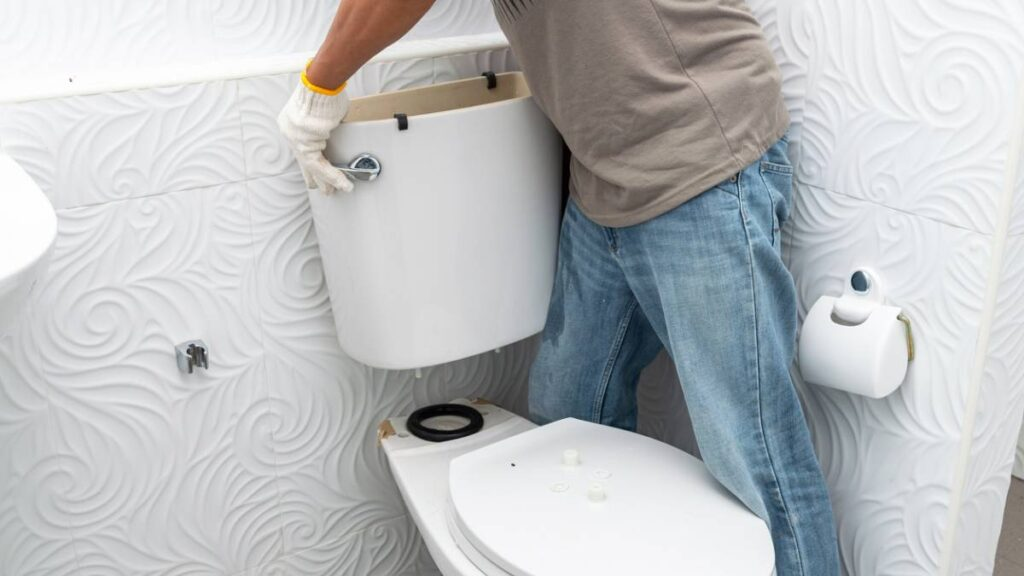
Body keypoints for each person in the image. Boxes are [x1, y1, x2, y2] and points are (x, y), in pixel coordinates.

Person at [278, 1, 840, 573]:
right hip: (605, 179)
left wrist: (318, 87)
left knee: (755, 455)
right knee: (568, 417)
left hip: (697, 160)